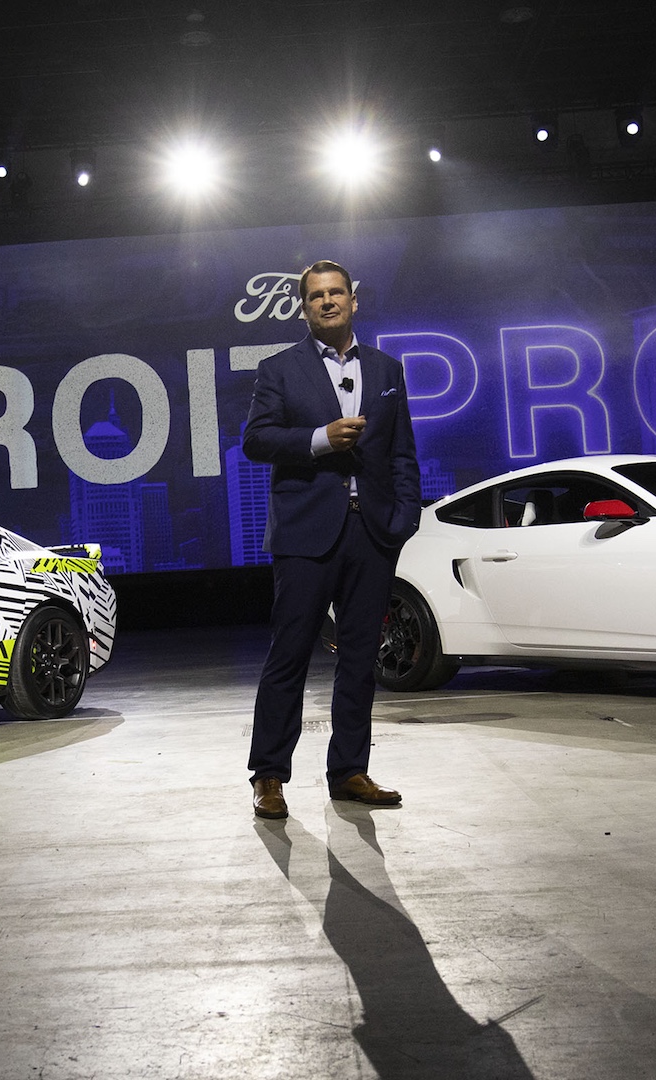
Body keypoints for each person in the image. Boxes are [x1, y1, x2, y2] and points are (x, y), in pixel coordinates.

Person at [242, 259, 422, 820]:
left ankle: (348, 771)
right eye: (316, 295)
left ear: (353, 301)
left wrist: (403, 520)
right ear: (304, 307)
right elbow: (256, 440)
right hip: (305, 534)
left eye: (336, 293)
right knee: (289, 657)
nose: (327, 302)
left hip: (370, 533)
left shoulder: (387, 368)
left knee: (361, 658)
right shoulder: (279, 370)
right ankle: (269, 776)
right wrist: (320, 439)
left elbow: (402, 452)